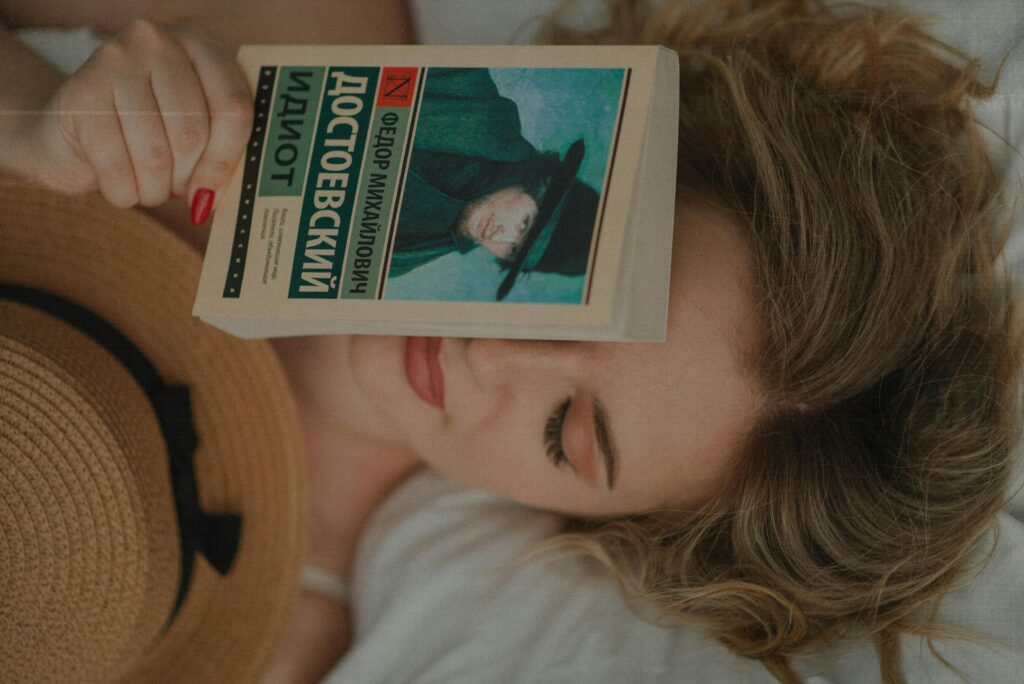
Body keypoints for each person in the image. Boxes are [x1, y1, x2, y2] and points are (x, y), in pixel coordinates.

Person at [0, 1, 1019, 684]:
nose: (492, 352)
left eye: (565, 429)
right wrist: (22, 106)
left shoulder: (254, 616)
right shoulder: (304, 28)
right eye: (575, 280)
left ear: (607, 525)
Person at [388, 67, 600, 300]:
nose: (499, 237)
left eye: (512, 250)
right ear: (540, 183)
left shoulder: (407, 258)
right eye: (523, 224)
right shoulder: (467, 88)